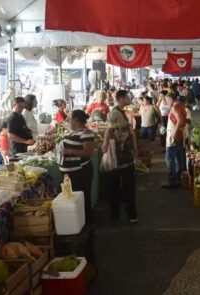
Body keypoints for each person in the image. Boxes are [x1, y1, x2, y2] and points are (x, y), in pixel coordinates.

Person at [103, 90, 139, 223]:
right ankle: (119, 215)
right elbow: (109, 130)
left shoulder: (121, 111)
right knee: (119, 185)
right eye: (127, 97)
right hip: (119, 154)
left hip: (125, 153)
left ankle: (127, 215)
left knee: (124, 185)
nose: (129, 98)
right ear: (121, 98)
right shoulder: (114, 113)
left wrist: (134, 146)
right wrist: (106, 144)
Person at [58, 110, 96, 225]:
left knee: (82, 200)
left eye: (70, 118)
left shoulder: (86, 133)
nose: (69, 120)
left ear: (76, 119)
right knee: (73, 200)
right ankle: (76, 223)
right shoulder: (71, 133)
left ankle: (86, 224)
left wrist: (69, 151)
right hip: (69, 173)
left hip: (80, 173)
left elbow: (88, 152)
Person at [164, 94, 189, 189]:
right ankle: (178, 178)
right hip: (179, 134)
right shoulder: (180, 105)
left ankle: (173, 180)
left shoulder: (175, 107)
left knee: (169, 158)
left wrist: (174, 133)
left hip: (174, 135)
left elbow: (180, 120)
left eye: (166, 100)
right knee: (178, 157)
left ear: (171, 98)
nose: (166, 102)